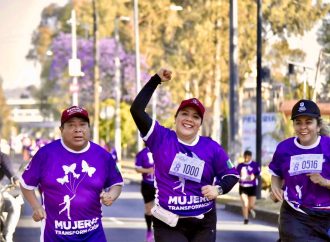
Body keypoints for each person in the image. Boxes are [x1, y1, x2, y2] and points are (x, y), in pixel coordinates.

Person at [130, 68, 239, 242]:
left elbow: (231, 175)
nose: (189, 119)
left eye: (196, 117)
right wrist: (156, 80)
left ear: (200, 124)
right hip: (168, 221)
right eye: (185, 114)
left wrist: (217, 189)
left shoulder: (211, 147)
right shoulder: (160, 138)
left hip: (203, 222)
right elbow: (136, 110)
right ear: (176, 118)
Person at [19, 106, 124, 242]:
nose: (78, 129)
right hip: (55, 236)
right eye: (71, 125)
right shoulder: (45, 154)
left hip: (93, 235)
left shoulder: (102, 156)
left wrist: (112, 195)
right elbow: (25, 184)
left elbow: (116, 183)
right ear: (61, 130)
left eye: (82, 124)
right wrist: (36, 207)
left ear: (88, 128)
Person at [269, 99, 330, 242]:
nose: (303, 127)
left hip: (326, 216)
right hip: (295, 213)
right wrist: (276, 187)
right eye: (298, 122)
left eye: (308, 122)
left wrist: (325, 182)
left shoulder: (328, 147)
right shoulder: (284, 148)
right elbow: (276, 173)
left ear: (318, 125)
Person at [135, 146, 155, 242]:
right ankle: (149, 230)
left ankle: (161, 229)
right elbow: (137, 168)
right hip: (147, 184)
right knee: (149, 209)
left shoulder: (162, 149)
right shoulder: (142, 153)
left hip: (161, 185)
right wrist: (148, 170)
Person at [0, 151, 22, 242]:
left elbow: (10, 171)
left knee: (14, 206)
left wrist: (15, 179)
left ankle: (7, 236)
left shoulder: (2, 157)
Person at [236, 150, 260, 224]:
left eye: (248, 157)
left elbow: (258, 174)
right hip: (243, 186)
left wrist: (254, 176)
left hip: (252, 186)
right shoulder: (240, 166)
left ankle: (250, 209)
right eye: (245, 156)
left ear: (250, 157)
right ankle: (246, 219)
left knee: (251, 205)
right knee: (245, 203)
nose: (246, 158)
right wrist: (238, 178)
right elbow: (236, 175)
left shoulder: (255, 165)